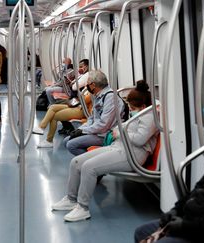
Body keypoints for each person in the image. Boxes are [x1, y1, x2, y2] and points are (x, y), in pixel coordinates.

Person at [51, 80, 157, 222]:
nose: (130, 110)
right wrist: (119, 131)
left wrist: (119, 133)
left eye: (132, 107)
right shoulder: (138, 114)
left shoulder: (150, 117)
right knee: (76, 162)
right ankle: (71, 199)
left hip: (133, 154)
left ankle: (83, 208)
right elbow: (123, 127)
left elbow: (139, 139)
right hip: (119, 147)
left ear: (143, 106)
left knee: (89, 167)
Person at [134, 109, 204, 243]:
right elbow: (195, 191)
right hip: (190, 217)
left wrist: (183, 226)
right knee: (141, 232)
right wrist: (175, 211)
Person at [63, 70, 124, 156]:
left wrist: (83, 131)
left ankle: (88, 161)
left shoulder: (110, 98)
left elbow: (104, 125)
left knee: (71, 145)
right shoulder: (98, 96)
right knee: (66, 140)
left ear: (93, 85)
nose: (86, 86)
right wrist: (80, 129)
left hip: (105, 134)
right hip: (97, 131)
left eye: (87, 83)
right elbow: (92, 118)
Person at [33, 71, 93, 148]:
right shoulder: (87, 88)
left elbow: (83, 100)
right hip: (76, 105)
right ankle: (41, 127)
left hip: (81, 110)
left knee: (54, 117)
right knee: (52, 107)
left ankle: (49, 140)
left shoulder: (91, 91)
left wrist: (78, 97)